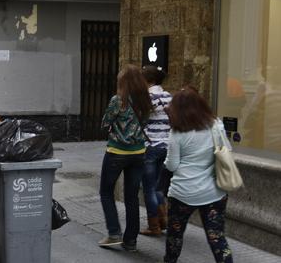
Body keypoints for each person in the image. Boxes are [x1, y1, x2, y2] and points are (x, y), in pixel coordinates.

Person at [163, 87, 232, 263]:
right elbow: (227, 151)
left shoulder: (177, 132)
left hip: (182, 192)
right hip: (213, 192)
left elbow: (171, 165)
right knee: (217, 238)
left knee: (175, 237)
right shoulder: (216, 125)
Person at [98, 64, 152, 252]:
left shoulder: (118, 100)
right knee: (132, 197)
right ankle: (130, 241)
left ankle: (114, 233)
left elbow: (105, 122)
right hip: (138, 153)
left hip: (117, 153)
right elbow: (144, 123)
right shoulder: (145, 101)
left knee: (106, 192)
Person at [140, 65, 172, 236]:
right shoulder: (168, 96)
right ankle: (163, 219)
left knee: (148, 188)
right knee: (159, 186)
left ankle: (154, 226)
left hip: (151, 145)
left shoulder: (146, 97)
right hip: (167, 145)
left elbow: (140, 120)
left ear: (148, 80)